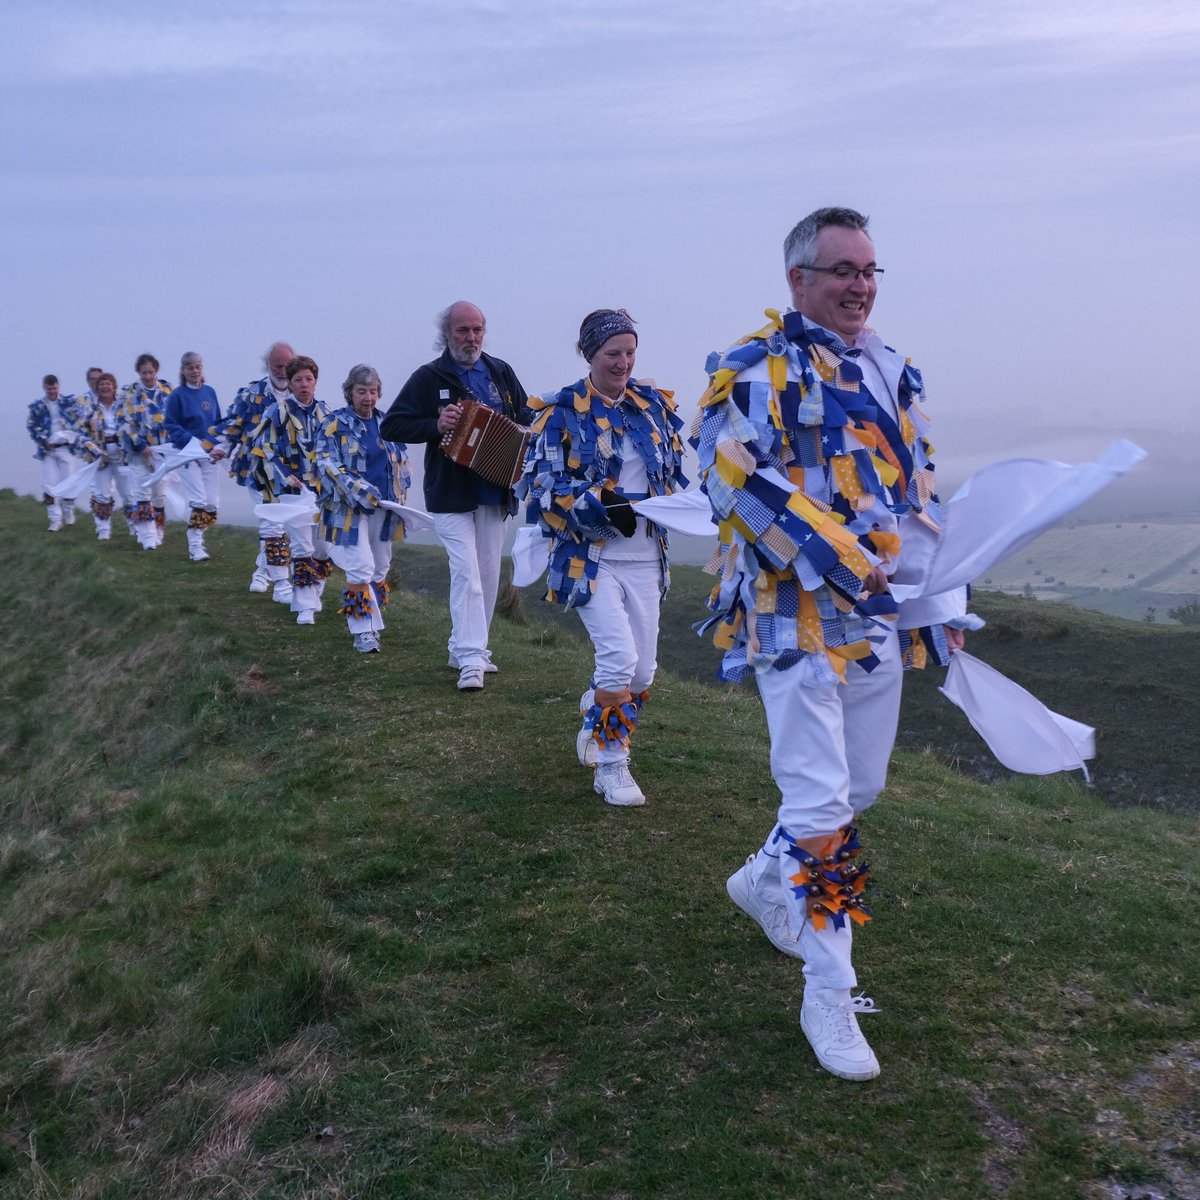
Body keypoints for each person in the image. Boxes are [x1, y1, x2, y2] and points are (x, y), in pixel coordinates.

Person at [693, 207, 971, 1082]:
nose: (860, 285)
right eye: (843, 269)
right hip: (792, 614)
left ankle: (760, 879)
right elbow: (728, 472)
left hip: (879, 618)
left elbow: (910, 490)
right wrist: (842, 557)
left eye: (870, 270)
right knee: (820, 810)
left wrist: (939, 593)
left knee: (861, 786)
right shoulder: (751, 367)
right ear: (798, 280)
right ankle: (829, 989)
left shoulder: (893, 367)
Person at [519, 310, 686, 806]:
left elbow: (670, 470)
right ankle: (612, 766)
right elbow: (542, 487)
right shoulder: (560, 412)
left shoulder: (651, 406)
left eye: (630, 353)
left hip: (645, 557)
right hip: (590, 558)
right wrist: (596, 504)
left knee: (642, 674)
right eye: (613, 354)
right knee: (619, 659)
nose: (623, 363)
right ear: (589, 354)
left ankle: (597, 706)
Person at [380, 301, 528, 690]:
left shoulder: (500, 372)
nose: (471, 337)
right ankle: (471, 659)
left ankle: (460, 647)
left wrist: (523, 436)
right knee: (466, 573)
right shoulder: (429, 377)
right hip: (449, 491)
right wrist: (435, 423)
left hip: (494, 490)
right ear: (445, 334)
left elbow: (527, 417)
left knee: (487, 574)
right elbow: (392, 424)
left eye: (477, 329)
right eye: (463, 330)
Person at [320, 365, 411, 652]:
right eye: (362, 391)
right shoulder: (334, 423)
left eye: (372, 391)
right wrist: (358, 490)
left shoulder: (388, 422)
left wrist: (401, 500)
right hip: (349, 508)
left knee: (381, 565)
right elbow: (326, 464)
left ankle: (369, 616)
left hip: (385, 509)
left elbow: (401, 464)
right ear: (350, 393)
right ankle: (364, 632)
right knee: (361, 565)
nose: (368, 397)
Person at [249, 355, 335, 625]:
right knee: (302, 546)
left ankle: (313, 592)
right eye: (298, 379)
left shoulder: (325, 411)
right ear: (290, 383)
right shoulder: (277, 411)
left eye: (309, 379)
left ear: (316, 381)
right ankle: (304, 606)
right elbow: (266, 447)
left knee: (323, 547)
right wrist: (286, 474)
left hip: (322, 491)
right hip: (292, 490)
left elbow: (334, 446)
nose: (304, 384)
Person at [210, 341, 296, 603]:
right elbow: (234, 424)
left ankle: (261, 572)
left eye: (286, 365)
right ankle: (282, 584)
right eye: (276, 365)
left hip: (290, 472)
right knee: (271, 522)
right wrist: (221, 447)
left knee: (282, 523)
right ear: (267, 365)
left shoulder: (300, 393)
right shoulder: (251, 393)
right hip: (257, 469)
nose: (282, 371)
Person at [165, 352, 223, 561]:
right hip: (187, 454)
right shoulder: (177, 396)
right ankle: (195, 546)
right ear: (183, 370)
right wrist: (192, 442)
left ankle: (197, 531)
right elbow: (171, 424)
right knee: (198, 499)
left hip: (209, 454)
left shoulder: (209, 392)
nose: (195, 370)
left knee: (211, 503)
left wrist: (216, 444)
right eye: (190, 367)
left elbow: (217, 422)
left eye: (198, 366)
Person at [117, 354, 173, 549]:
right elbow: (123, 422)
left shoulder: (168, 389)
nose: (148, 376)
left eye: (150, 372)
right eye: (144, 373)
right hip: (138, 452)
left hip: (162, 451)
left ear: (156, 371)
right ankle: (146, 535)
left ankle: (158, 530)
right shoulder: (128, 393)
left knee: (159, 494)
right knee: (141, 492)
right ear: (138, 373)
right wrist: (140, 444)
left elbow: (175, 418)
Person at [26, 375, 88, 531]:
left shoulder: (68, 402)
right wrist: (42, 439)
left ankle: (68, 512)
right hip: (48, 450)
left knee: (68, 483)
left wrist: (72, 433)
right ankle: (54, 519)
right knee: (49, 484)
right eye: (49, 389)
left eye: (54, 388)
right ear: (44, 388)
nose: (52, 391)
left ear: (58, 387)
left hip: (66, 448)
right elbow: (31, 426)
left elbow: (80, 420)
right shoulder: (37, 406)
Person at [79, 372, 134, 540]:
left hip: (121, 454)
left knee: (128, 492)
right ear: (96, 388)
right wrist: (94, 449)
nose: (105, 387)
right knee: (102, 493)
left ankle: (135, 526)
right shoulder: (90, 407)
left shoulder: (122, 405)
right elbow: (81, 432)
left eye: (108, 384)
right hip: (100, 455)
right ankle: (103, 529)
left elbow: (132, 424)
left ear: (114, 386)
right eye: (101, 384)